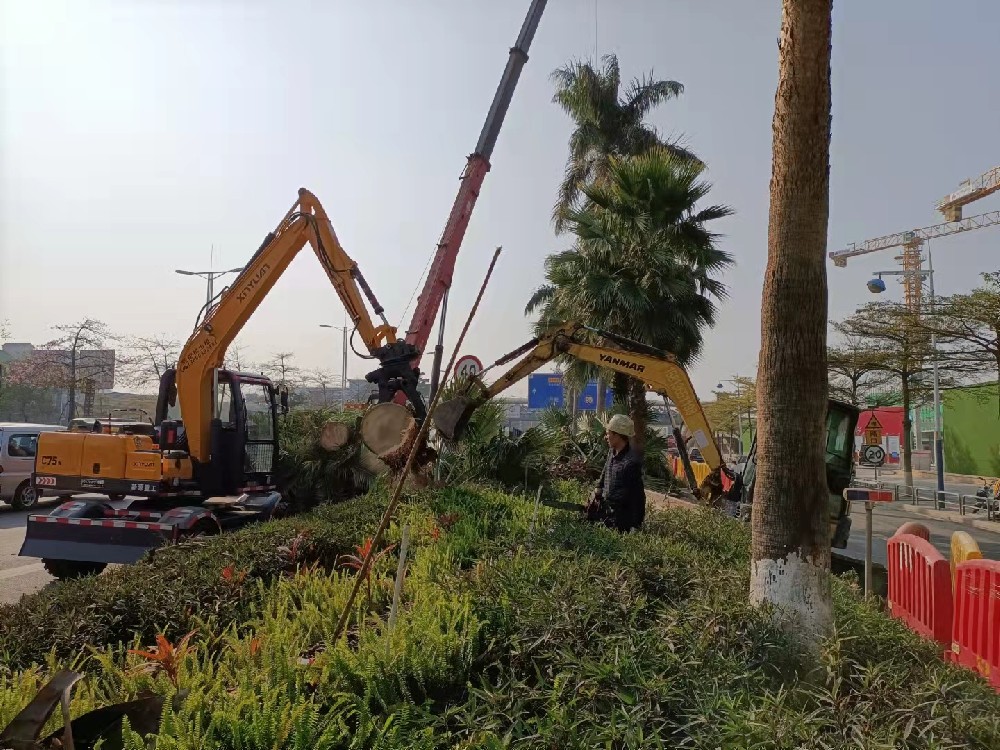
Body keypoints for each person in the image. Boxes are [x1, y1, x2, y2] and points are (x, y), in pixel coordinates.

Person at [584, 414, 645, 532]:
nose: (606, 437)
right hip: (605, 512)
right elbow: (605, 470)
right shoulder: (612, 452)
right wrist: (598, 487)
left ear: (617, 435)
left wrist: (635, 524)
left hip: (621, 519)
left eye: (608, 433)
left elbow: (638, 497)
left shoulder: (631, 463)